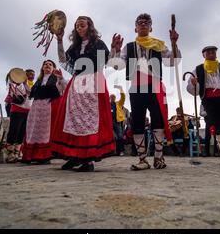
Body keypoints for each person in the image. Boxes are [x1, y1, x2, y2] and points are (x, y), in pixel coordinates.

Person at [110, 13, 181, 170]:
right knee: (137, 122)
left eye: (146, 23)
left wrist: (174, 43)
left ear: (151, 27)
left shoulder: (159, 44)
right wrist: (114, 51)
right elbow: (117, 66)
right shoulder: (128, 47)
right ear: (135, 27)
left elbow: (172, 61)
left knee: (158, 121)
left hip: (155, 86)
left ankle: (158, 158)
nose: (143, 25)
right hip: (136, 87)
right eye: (140, 23)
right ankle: (142, 160)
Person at [50, 16, 115, 172]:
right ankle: (73, 156)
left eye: (82, 25)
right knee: (73, 118)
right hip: (77, 81)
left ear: (89, 27)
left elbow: (108, 62)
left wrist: (114, 50)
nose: (79, 28)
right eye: (77, 26)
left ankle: (88, 160)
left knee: (89, 119)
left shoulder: (98, 44)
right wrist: (59, 40)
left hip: (93, 80)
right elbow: (63, 59)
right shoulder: (75, 46)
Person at [186, 45, 220, 165]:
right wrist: (194, 84)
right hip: (208, 100)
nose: (211, 53)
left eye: (213, 51)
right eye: (208, 52)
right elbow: (191, 88)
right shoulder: (198, 69)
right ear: (203, 55)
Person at [21, 60, 66, 164]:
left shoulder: (56, 79)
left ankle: (44, 156)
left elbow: (63, 88)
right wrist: (24, 83)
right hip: (36, 107)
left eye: (50, 64)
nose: (47, 65)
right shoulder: (38, 81)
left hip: (48, 106)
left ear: (53, 68)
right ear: (42, 67)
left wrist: (60, 78)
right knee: (33, 130)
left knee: (45, 131)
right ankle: (30, 156)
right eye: (45, 64)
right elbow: (31, 92)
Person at [5, 75, 32, 163]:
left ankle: (17, 152)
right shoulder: (13, 85)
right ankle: (10, 153)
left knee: (22, 132)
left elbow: (31, 94)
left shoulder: (27, 85)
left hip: (27, 110)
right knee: (14, 130)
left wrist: (25, 84)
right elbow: (13, 94)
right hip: (17, 110)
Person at [110, 85, 126, 156]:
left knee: (120, 136)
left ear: (115, 98)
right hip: (109, 123)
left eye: (113, 97)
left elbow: (123, 97)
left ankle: (121, 151)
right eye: (111, 97)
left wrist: (121, 89)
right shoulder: (107, 105)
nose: (112, 98)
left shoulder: (118, 104)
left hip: (117, 122)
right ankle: (112, 151)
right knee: (111, 137)